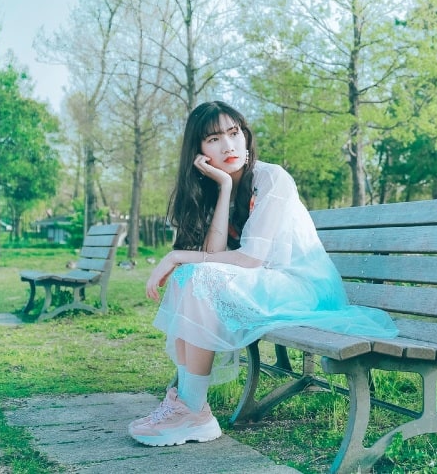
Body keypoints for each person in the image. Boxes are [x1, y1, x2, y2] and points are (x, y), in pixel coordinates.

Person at [128, 101, 398, 447]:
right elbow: (216, 255)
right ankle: (188, 406)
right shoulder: (218, 186)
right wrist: (224, 188)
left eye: (234, 133)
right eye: (213, 139)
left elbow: (251, 260)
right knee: (189, 276)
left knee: (193, 275)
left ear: (245, 135)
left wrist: (176, 255)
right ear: (198, 151)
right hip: (267, 284)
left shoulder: (272, 178)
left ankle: (191, 410)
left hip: (301, 287)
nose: (228, 146)